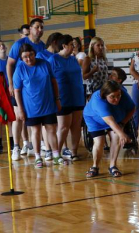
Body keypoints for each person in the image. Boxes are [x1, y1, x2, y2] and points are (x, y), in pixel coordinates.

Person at [13, 44, 60, 165]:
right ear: (21, 58)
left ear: (34, 53)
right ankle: (38, 156)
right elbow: (17, 91)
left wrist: (57, 99)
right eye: (25, 57)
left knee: (51, 129)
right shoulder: (20, 69)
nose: (29, 59)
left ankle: (56, 154)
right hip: (31, 107)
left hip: (48, 103)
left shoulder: (45, 64)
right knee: (36, 131)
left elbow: (54, 82)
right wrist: (20, 109)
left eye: (31, 55)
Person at [7, 17, 45, 158]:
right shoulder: (19, 44)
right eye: (37, 27)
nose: (40, 30)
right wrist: (11, 83)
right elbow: (9, 64)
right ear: (30, 29)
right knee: (18, 118)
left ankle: (36, 145)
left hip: (35, 90)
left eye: (42, 27)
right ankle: (16, 147)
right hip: (20, 87)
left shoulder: (42, 45)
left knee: (35, 117)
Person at [84, 80, 135, 178]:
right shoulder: (98, 100)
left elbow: (132, 108)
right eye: (113, 97)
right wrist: (122, 134)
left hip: (116, 116)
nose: (117, 99)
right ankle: (95, 166)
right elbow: (110, 121)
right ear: (104, 95)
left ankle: (113, 165)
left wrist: (122, 123)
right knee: (99, 142)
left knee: (116, 138)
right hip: (94, 119)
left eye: (118, 95)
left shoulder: (123, 94)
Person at [49, 34, 85, 162]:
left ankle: (74, 152)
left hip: (77, 96)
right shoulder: (53, 60)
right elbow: (49, 80)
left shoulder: (73, 59)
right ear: (64, 46)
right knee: (63, 127)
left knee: (76, 126)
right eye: (71, 45)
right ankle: (57, 154)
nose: (73, 47)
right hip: (63, 98)